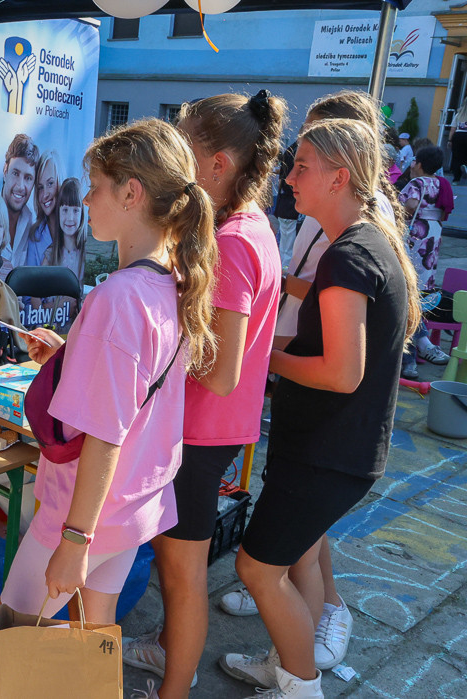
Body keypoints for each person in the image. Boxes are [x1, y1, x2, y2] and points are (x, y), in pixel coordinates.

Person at [0, 118, 219, 699]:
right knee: (91, 639)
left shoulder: (116, 296)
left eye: (97, 185)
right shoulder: (173, 282)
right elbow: (133, 390)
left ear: (133, 193)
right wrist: (72, 351)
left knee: (7, 638)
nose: (87, 198)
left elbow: (106, 433)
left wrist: (74, 541)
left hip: (84, 513)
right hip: (133, 506)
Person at [222, 118, 419, 698]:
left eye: (301, 166)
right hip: (331, 450)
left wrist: (263, 360)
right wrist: (273, 346)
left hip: (328, 453)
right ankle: (291, 663)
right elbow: (328, 349)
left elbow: (340, 371)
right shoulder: (360, 245)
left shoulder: (349, 257)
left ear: (339, 177)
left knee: (256, 569)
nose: (289, 175)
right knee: (292, 562)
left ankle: (300, 685)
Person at [122, 90, 285, 699]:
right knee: (179, 573)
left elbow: (220, 371)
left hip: (201, 431)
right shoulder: (243, 226)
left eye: (184, 145)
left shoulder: (236, 243)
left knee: (182, 575)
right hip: (206, 430)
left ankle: (173, 688)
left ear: (217, 164)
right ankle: (168, 651)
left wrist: (149, 362)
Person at [399, 145, 453, 379]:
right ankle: (423, 345)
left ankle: (409, 359)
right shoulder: (442, 184)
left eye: (414, 161)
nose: (412, 165)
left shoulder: (416, 184)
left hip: (416, 238)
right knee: (419, 294)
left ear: (419, 163)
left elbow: (410, 205)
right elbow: (443, 211)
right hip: (433, 235)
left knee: (407, 294)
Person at [0, 134, 39, 268]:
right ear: (5, 171)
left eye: (28, 178)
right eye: (15, 173)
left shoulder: (33, 224)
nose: (20, 186)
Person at [42, 177, 87, 285]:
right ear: (58, 212)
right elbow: (34, 295)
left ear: (82, 214)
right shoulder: (51, 254)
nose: (70, 218)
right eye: (65, 210)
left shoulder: (86, 254)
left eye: (75, 210)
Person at [24, 151, 60, 267]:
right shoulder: (34, 236)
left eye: (50, 183)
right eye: (40, 187)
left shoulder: (75, 229)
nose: (45, 195)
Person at [274, 141, 300, 269]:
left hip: (284, 202)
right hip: (290, 204)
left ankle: (282, 268)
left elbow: (281, 179)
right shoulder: (296, 151)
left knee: (285, 243)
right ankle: (285, 270)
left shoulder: (290, 149)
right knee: (289, 244)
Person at [448, 99, 467, 184]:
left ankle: (456, 179)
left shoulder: (458, 115)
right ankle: (465, 166)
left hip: (458, 136)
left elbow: (453, 129)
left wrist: (450, 140)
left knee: (456, 157)